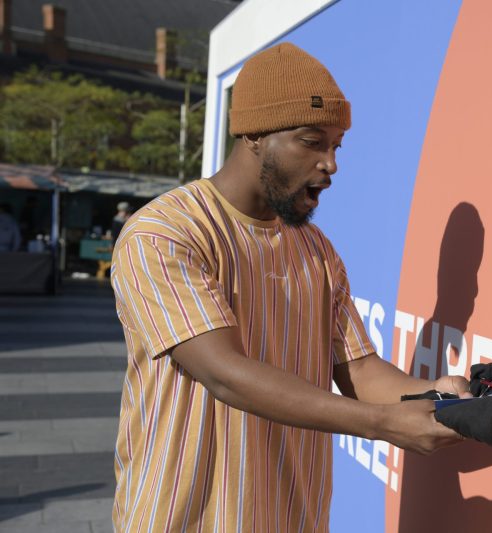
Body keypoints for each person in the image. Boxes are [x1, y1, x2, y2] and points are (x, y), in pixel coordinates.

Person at [110, 43, 471, 532]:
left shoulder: (317, 250)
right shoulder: (164, 233)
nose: (331, 164)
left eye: (336, 145)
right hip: (184, 519)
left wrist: (435, 393)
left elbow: (360, 371)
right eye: (312, 141)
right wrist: (385, 425)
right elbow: (225, 373)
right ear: (254, 134)